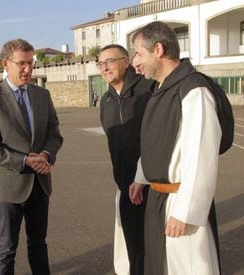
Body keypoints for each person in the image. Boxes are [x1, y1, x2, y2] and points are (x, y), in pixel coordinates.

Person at [130, 21, 222, 275]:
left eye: (138, 53)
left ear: (158, 49)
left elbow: (201, 155)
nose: (135, 61)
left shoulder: (194, 90)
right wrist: (141, 177)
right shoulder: (161, 90)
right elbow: (154, 142)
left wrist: (186, 211)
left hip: (180, 202)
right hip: (158, 198)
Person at [0, 39, 63, 275]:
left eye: (31, 63)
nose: (28, 69)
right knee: (7, 246)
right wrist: (24, 161)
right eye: (22, 64)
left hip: (40, 184)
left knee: (38, 243)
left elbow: (54, 134)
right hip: (8, 186)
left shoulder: (42, 95)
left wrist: (46, 154)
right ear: (6, 63)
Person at [97, 44, 153, 275]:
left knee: (157, 248)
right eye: (100, 63)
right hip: (125, 187)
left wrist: (144, 176)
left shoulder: (149, 89)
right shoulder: (106, 101)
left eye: (110, 61)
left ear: (127, 61)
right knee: (134, 248)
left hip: (154, 186)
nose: (104, 67)